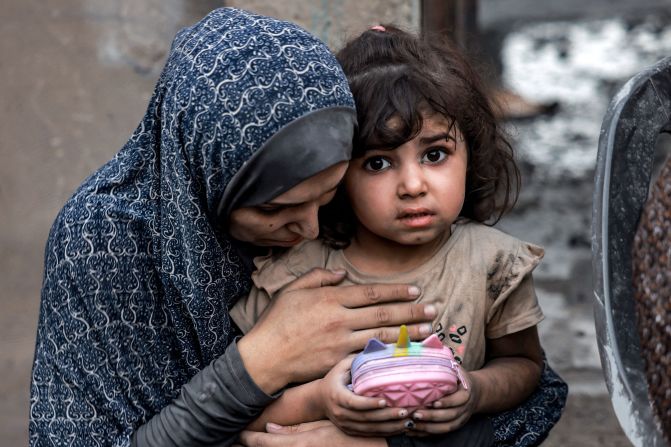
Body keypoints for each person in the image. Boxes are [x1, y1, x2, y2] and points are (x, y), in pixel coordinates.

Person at [28, 9, 439, 447]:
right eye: (276, 208)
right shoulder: (101, 242)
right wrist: (262, 362)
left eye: (327, 195)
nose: (312, 228)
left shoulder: (374, 203)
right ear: (204, 175)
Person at [231, 25, 567, 447]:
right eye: (377, 163)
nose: (412, 185)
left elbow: (523, 365)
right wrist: (320, 403)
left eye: (435, 154)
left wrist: (475, 392)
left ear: (471, 154)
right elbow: (246, 411)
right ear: (336, 174)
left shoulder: (493, 265)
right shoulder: (296, 274)